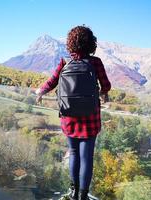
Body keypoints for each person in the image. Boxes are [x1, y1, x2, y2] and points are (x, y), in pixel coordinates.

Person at [36, 25, 111, 200]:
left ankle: (73, 192)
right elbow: (106, 85)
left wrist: (40, 92)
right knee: (87, 157)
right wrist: (103, 92)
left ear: (70, 44)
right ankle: (83, 195)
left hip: (69, 117)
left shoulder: (64, 63)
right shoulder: (95, 62)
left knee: (74, 153)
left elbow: (52, 82)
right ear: (91, 43)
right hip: (90, 118)